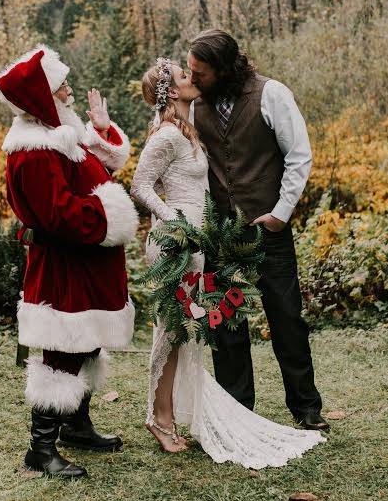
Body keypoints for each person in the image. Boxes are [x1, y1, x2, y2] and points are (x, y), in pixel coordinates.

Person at [130, 57, 326, 468]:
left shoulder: (189, 125)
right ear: (172, 91)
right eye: (185, 75)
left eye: (195, 71)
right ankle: (158, 418)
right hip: (178, 242)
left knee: (187, 331)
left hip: (201, 241)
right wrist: (175, 222)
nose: (193, 78)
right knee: (172, 331)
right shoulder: (168, 134)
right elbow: (140, 186)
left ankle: (168, 416)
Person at [0, 45, 138, 478]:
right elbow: (55, 212)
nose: (70, 89)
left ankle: (76, 425)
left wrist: (102, 127)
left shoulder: (62, 129)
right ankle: (40, 449)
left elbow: (108, 159)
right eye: (62, 85)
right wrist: (109, 215)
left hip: (86, 262)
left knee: (86, 340)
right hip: (65, 265)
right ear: (44, 95)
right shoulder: (34, 148)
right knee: (61, 349)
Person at [188, 29, 330, 433]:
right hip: (221, 234)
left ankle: (306, 408)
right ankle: (238, 411)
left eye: (200, 73)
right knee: (226, 323)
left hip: (269, 229)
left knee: (286, 318)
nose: (192, 78)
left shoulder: (272, 94)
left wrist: (281, 213)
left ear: (224, 68)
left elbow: (299, 157)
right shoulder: (195, 107)